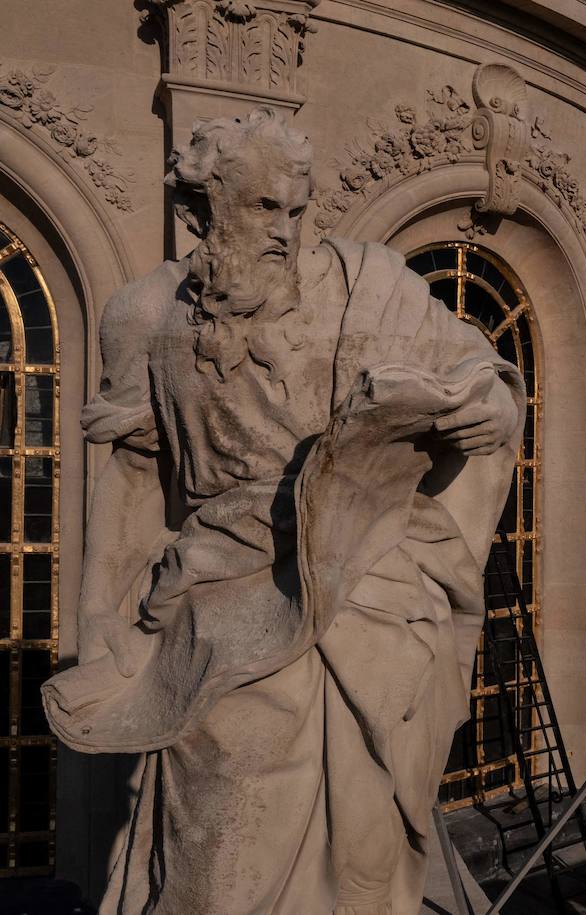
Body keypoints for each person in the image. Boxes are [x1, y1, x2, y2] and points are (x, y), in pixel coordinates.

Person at [42, 107, 522, 914]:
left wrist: (488, 407)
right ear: (205, 210)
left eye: (298, 210)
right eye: (266, 209)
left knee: (364, 862)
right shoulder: (147, 315)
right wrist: (104, 627)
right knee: (222, 859)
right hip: (225, 611)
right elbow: (130, 481)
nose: (288, 232)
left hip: (368, 601)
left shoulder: (370, 284)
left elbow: (476, 366)